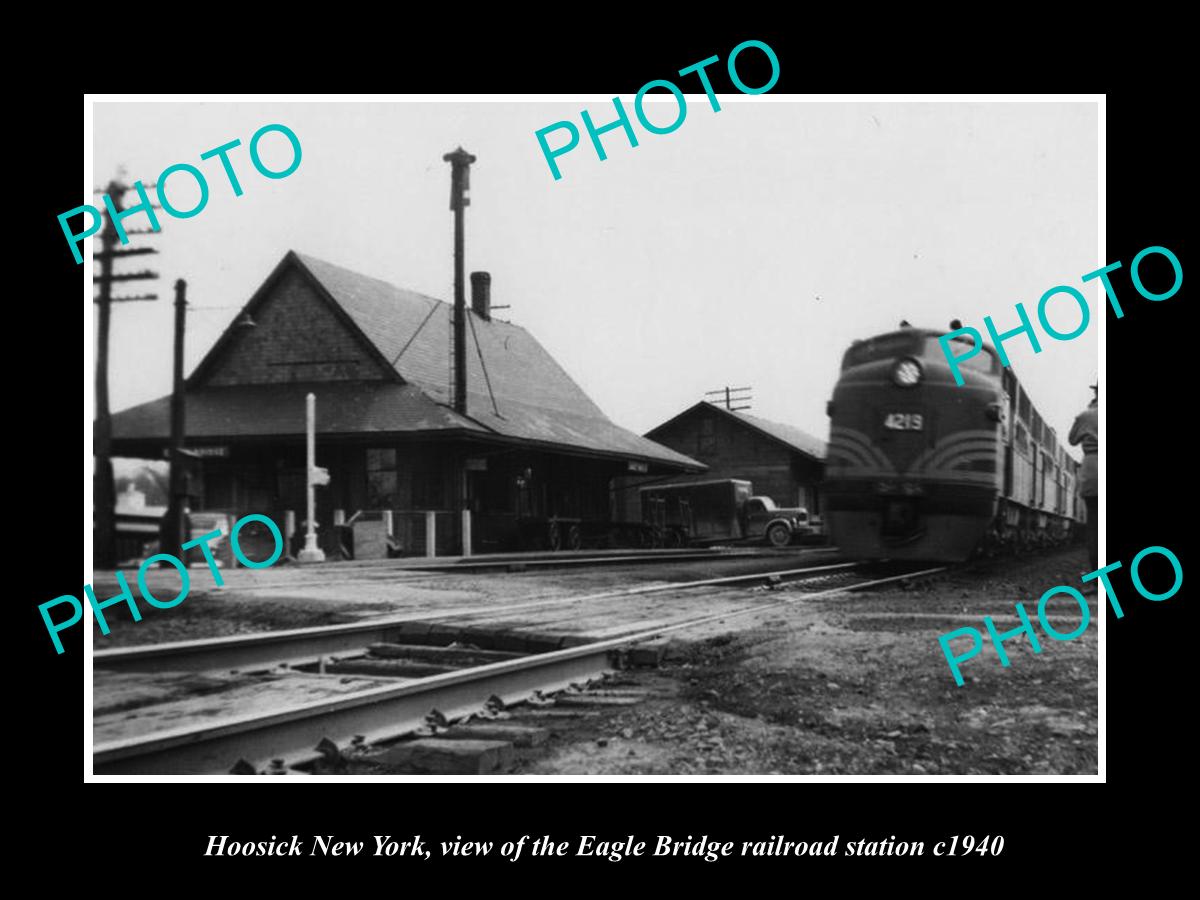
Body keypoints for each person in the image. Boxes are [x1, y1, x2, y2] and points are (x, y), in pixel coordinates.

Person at [1069, 383, 1099, 572]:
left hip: (1093, 471)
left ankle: (1098, 580)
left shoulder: (1085, 416)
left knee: (1095, 528)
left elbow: (1072, 440)